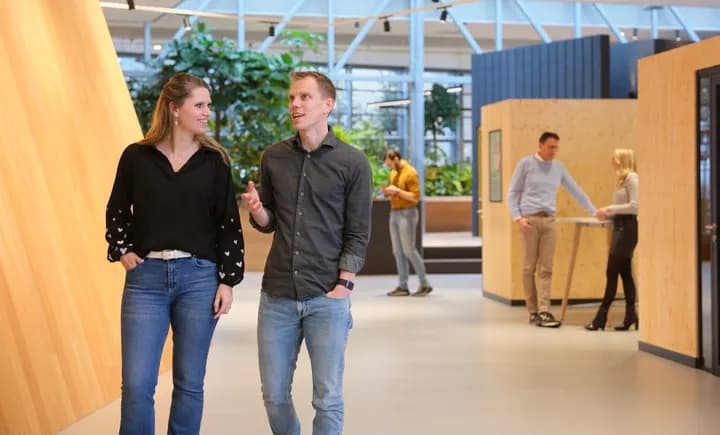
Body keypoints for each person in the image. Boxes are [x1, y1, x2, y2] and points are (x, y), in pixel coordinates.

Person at [105, 72, 244, 434]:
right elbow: (116, 209)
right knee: (137, 384)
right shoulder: (136, 157)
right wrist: (121, 249)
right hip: (146, 281)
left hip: (200, 279)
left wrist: (228, 281)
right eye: (199, 105)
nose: (207, 112)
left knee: (189, 383)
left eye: (208, 105)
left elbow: (228, 224)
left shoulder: (215, 161)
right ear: (174, 108)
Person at [241, 71, 372, 435]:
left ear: (328, 105)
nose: (295, 105)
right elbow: (269, 221)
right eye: (292, 98)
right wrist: (257, 211)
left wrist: (344, 285)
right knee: (274, 395)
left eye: (304, 97)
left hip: (327, 295)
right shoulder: (274, 157)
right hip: (278, 294)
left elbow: (358, 231)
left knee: (327, 398)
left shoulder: (353, 163)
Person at [507, 132, 596, 328]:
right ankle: (533, 312)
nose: (553, 151)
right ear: (540, 146)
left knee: (546, 268)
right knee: (529, 268)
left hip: (549, 221)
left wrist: (593, 210)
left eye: (556, 147)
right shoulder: (525, 164)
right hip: (529, 220)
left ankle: (544, 310)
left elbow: (576, 190)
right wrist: (518, 218)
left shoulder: (558, 167)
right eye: (550, 147)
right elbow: (512, 192)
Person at [585, 149, 639, 331]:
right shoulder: (622, 180)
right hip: (619, 228)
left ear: (621, 160)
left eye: (614, 158)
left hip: (627, 230)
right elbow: (622, 207)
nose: (612, 161)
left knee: (612, 272)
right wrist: (607, 214)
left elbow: (634, 206)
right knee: (625, 273)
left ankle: (601, 317)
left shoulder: (632, 178)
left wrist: (609, 208)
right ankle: (631, 316)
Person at [382, 149, 433, 297]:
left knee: (409, 249)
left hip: (408, 213)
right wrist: (389, 192)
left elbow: (415, 197)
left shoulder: (411, 172)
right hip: (394, 213)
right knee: (397, 251)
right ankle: (403, 286)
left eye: (390, 164)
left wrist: (397, 191)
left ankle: (425, 284)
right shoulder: (393, 173)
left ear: (396, 159)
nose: (389, 167)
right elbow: (396, 192)